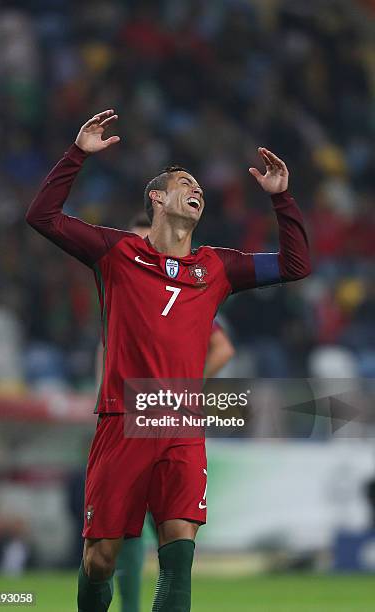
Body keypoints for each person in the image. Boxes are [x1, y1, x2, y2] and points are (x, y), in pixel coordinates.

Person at [26, 109, 311, 611]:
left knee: (179, 553)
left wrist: (281, 198)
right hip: (121, 420)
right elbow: (42, 218)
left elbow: (296, 265)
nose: (195, 188)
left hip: (179, 420)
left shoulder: (216, 267)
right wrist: (76, 156)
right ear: (157, 197)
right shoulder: (116, 253)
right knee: (101, 559)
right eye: (184, 182)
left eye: (198, 185)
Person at [95, 212, 235, 612]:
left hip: (161, 417)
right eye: (136, 242)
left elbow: (222, 347)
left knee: (158, 536)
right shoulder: (120, 283)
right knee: (115, 542)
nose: (142, 251)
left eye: (145, 241)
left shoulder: (184, 288)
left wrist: (177, 390)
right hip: (119, 417)